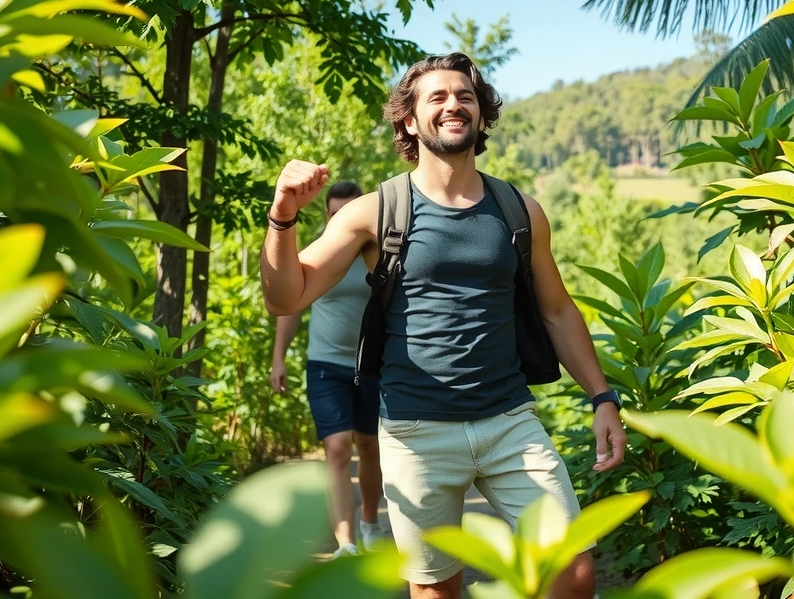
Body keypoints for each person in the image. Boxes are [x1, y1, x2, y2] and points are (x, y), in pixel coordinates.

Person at [260, 53, 626, 599]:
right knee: (436, 592)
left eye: (466, 96)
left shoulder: (520, 209)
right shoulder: (372, 211)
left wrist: (603, 398)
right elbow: (284, 295)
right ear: (409, 120)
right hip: (416, 433)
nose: (454, 104)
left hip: (510, 422)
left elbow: (557, 310)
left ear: (482, 115)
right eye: (437, 97)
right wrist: (282, 215)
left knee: (573, 573)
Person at [268, 181, 385, 558]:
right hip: (324, 364)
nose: (342, 219)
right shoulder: (318, 253)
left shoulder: (378, 254)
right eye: (335, 214)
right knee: (336, 448)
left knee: (368, 446)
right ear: (327, 215)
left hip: (370, 366)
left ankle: (369, 522)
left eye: (350, 212)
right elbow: (290, 306)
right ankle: (346, 542)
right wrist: (278, 357)